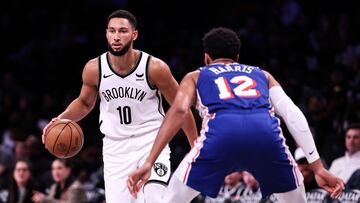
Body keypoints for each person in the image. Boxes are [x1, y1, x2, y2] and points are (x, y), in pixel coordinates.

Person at [127, 27, 345, 203]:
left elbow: (180, 110)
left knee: (172, 200)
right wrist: (317, 167)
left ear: (206, 58)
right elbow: (292, 114)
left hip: (220, 137)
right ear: (237, 58)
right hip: (266, 137)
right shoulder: (263, 75)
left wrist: (149, 161)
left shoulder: (196, 76)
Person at [41, 9, 197, 203]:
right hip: (115, 149)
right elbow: (84, 103)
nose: (116, 36)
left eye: (123, 31)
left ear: (134, 34)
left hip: (151, 142)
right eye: (112, 31)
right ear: (106, 33)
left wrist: (196, 148)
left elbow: (181, 108)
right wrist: (63, 118)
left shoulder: (155, 68)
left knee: (154, 197)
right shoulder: (94, 68)